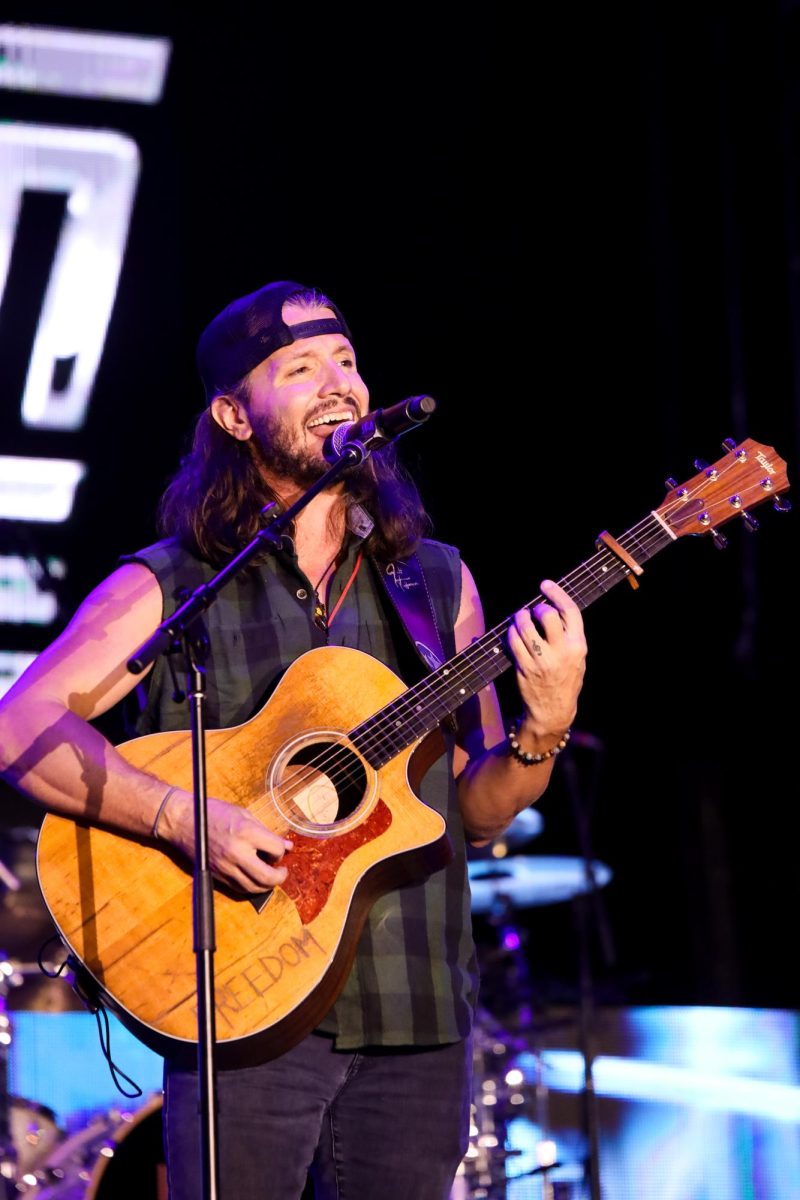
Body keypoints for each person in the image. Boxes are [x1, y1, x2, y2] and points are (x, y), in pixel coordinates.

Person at [0, 279, 587, 1199]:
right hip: (240, 1004)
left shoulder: (437, 585)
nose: (340, 384)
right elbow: (18, 725)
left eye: (348, 362)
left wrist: (541, 730)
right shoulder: (173, 583)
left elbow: (474, 810)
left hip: (417, 1010)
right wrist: (180, 815)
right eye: (301, 367)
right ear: (233, 415)